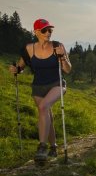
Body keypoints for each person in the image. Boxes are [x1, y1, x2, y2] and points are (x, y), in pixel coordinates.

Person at [9, 18, 72, 162]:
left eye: (50, 30)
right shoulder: (29, 48)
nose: (48, 33)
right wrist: (16, 70)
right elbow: (21, 67)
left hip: (57, 84)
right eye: (44, 30)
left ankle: (42, 147)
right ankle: (54, 147)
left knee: (44, 107)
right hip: (38, 87)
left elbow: (68, 69)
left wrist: (62, 57)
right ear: (36, 32)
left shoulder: (57, 46)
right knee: (45, 113)